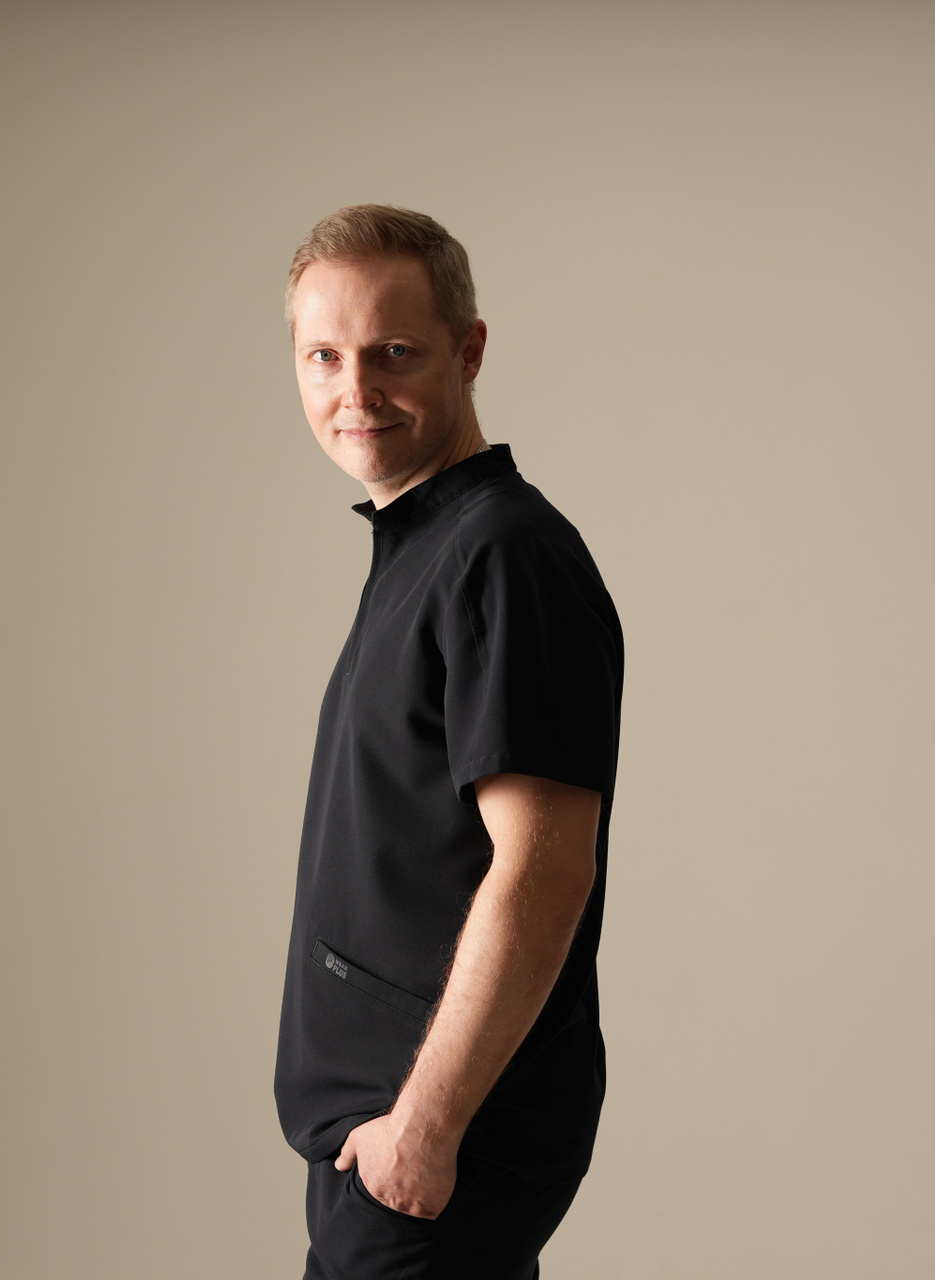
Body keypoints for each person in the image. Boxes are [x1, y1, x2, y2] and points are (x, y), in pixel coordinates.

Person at [274, 205, 625, 1280]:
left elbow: (545, 865)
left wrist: (423, 1131)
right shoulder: (424, 549)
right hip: (383, 1151)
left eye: (394, 353)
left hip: (436, 1149)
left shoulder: (502, 555)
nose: (355, 391)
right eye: (324, 356)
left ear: (468, 352)